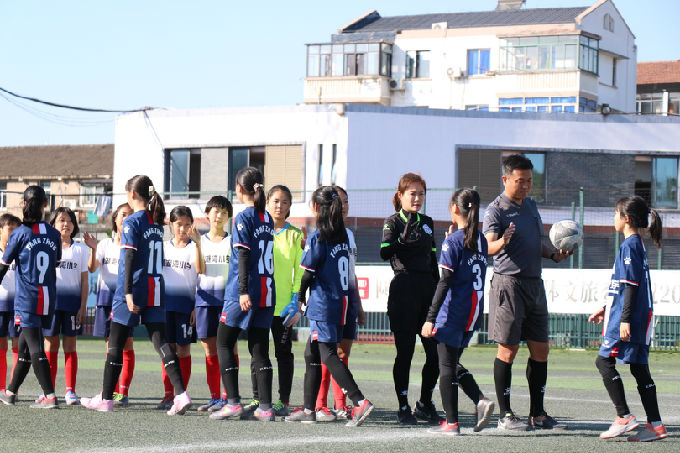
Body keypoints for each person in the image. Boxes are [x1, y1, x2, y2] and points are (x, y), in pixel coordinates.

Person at [81, 175, 191, 415]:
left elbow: (129, 258)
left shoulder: (132, 221)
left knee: (115, 344)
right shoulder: (156, 223)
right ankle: (181, 394)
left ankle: (106, 399)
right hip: (156, 286)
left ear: (131, 194)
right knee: (161, 342)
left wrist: (128, 292)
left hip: (135, 287)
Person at [483, 154, 570, 430]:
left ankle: (538, 414)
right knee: (508, 350)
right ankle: (505, 414)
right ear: (505, 179)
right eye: (520, 181)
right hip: (508, 285)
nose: (526, 186)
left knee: (541, 350)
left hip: (535, 285)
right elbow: (488, 246)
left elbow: (535, 243)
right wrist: (502, 241)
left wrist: (554, 255)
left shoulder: (531, 206)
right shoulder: (495, 210)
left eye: (530, 181)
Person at [284, 186, 374, 427]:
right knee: (311, 353)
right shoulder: (343, 237)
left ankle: (359, 401)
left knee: (329, 355)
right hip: (342, 304)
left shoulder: (318, 237)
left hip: (324, 304)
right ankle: (309, 409)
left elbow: (307, 275)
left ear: (316, 207)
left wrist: (299, 299)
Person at [588, 196, 667, 442]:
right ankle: (656, 425)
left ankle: (624, 417)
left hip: (629, 318)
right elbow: (626, 287)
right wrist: (607, 307)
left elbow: (631, 286)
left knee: (604, 362)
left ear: (627, 219)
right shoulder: (636, 244)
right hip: (638, 315)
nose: (613, 218)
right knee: (639, 368)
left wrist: (623, 319)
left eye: (615, 214)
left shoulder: (630, 245)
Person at [421, 189, 493, 435]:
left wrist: (430, 318)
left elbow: (444, 282)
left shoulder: (453, 241)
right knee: (451, 362)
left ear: (454, 208)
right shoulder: (481, 239)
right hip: (473, 312)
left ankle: (452, 422)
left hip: (453, 312)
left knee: (446, 367)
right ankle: (479, 400)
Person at [210, 167, 276, 422]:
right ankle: (266, 407)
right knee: (259, 347)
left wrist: (242, 291)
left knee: (223, 341)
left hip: (245, 290)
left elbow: (244, 256)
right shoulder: (266, 217)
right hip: (267, 288)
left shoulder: (244, 217)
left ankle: (233, 403)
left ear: (239, 189)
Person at [380, 173, 441, 425]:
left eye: (421, 194)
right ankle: (403, 406)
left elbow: (433, 260)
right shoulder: (393, 221)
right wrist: (399, 241)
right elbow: (384, 253)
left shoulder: (427, 222)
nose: (417, 198)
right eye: (412, 194)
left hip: (428, 291)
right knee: (405, 353)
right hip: (403, 291)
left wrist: (440, 293)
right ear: (401, 195)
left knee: (436, 354)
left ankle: (425, 403)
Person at [0, 186, 62, 408]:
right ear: (45, 204)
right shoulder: (54, 234)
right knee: (25, 348)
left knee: (35, 347)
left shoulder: (19, 234)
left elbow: (3, 266)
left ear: (24, 204)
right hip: (48, 299)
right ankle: (10, 392)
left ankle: (50, 396)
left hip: (27, 299)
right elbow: (56, 263)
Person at [246, 185, 304, 417]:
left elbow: (300, 271)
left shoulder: (296, 235)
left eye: (285, 202)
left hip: (283, 306)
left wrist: (296, 299)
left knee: (284, 353)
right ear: (267, 202)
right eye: (276, 201)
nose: (280, 206)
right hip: (260, 302)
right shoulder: (257, 231)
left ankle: (283, 401)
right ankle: (258, 398)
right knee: (258, 352)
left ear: (290, 206)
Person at [315, 186, 366, 422]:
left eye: (346, 201)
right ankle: (320, 404)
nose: (343, 206)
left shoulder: (350, 235)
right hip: (329, 302)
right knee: (327, 353)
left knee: (342, 353)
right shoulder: (322, 234)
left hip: (348, 300)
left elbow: (351, 273)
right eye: (339, 201)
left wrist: (359, 305)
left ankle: (340, 404)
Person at [83, 203, 135, 406]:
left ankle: (123, 392)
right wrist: (93, 249)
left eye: (130, 215)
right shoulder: (105, 244)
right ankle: (110, 391)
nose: (126, 218)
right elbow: (92, 268)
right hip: (106, 299)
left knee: (127, 345)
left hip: (125, 300)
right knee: (110, 346)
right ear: (115, 218)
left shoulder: (134, 244)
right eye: (123, 214)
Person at [157, 206, 204, 409]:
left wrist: (196, 307)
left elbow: (200, 274)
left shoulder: (194, 248)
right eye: (179, 224)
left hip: (186, 307)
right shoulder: (162, 248)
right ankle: (168, 394)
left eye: (187, 224)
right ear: (170, 224)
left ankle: (181, 393)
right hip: (165, 308)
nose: (183, 229)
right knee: (167, 350)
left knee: (183, 350)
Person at [42, 207, 89, 405]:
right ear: (53, 224)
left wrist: (83, 306)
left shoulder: (81, 250)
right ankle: (49, 390)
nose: (66, 224)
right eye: (61, 220)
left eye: (69, 220)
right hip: (51, 305)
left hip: (72, 306)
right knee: (50, 346)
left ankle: (70, 391)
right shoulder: (46, 248)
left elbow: (85, 281)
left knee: (70, 347)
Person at [195, 196, 234, 413]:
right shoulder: (199, 240)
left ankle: (229, 397)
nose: (219, 216)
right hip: (205, 301)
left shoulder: (232, 241)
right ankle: (215, 397)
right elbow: (199, 271)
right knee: (209, 349)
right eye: (216, 211)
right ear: (208, 214)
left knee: (229, 347)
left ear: (228, 218)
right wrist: (197, 245)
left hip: (227, 301)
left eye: (224, 213)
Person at [0, 214, 21, 393]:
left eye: (16, 229)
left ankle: (13, 389)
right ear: (1, 230)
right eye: (10, 229)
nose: (13, 233)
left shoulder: (21, 253)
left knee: (17, 347)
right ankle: (1, 387)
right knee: (1, 348)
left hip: (18, 307)